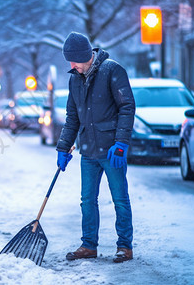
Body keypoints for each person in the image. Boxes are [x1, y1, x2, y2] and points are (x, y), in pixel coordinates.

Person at [56, 32, 135, 263]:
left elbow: (127, 107)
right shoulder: (75, 79)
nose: (72, 66)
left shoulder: (112, 71)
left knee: (120, 198)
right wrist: (63, 147)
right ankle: (89, 245)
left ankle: (124, 247)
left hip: (112, 151)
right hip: (88, 151)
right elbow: (73, 117)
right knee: (87, 200)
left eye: (74, 61)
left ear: (85, 55)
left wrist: (121, 143)